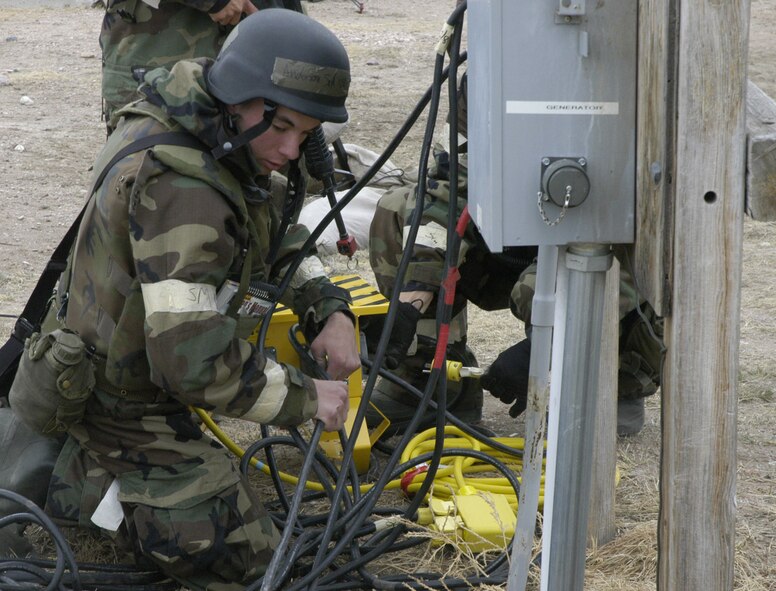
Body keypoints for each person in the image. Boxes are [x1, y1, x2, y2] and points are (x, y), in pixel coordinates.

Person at [26, 10, 358, 590]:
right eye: (281, 127)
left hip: (139, 368)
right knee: (233, 557)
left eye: (305, 134)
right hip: (117, 397)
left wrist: (328, 307)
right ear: (241, 96)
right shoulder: (184, 188)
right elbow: (193, 364)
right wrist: (309, 399)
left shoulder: (201, 113)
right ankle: (79, 481)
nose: (289, 149)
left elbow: (270, 228)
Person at [366, 71, 664, 437]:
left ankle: (606, 381)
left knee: (546, 284)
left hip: (595, 234)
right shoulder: (491, 67)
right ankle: (431, 376)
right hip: (511, 239)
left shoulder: (619, 76)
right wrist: (413, 299)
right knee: (398, 210)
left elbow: (642, 240)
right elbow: (446, 185)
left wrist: (544, 348)